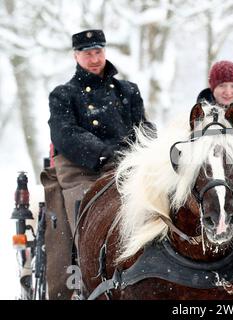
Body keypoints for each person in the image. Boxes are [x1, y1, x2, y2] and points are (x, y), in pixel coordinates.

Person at [42, 29, 154, 299]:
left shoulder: (128, 90)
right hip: (81, 168)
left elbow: (143, 127)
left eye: (98, 51)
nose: (94, 58)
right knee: (87, 208)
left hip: (127, 164)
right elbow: (65, 133)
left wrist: (154, 148)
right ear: (76, 56)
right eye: (87, 53)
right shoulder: (64, 94)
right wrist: (103, 154)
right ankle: (80, 278)